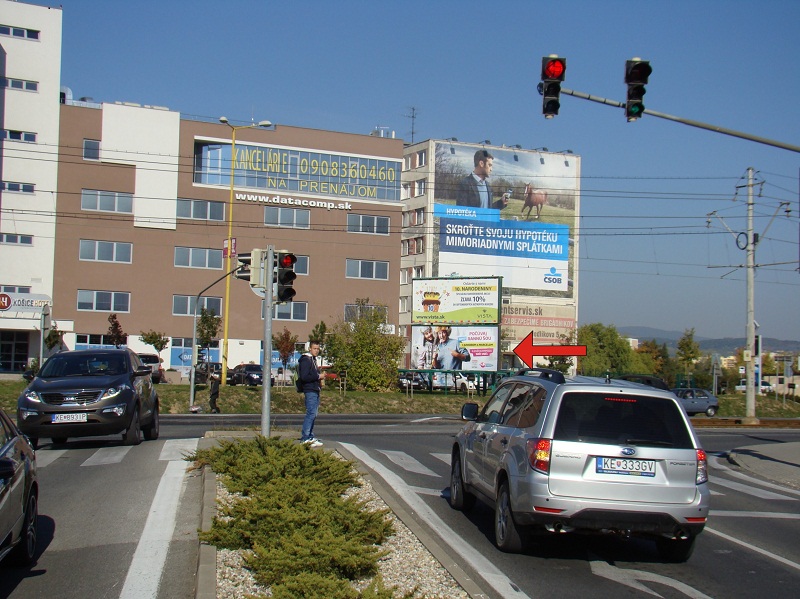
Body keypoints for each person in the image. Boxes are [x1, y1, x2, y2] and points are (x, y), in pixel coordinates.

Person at [298, 341, 323, 447]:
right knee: (311, 413)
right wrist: (318, 377)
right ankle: (305, 437)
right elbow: (304, 377)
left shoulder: (313, 360)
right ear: (309, 349)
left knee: (314, 413)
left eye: (318, 349)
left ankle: (310, 436)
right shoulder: (306, 360)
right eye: (314, 348)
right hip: (309, 390)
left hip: (315, 389)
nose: (316, 351)